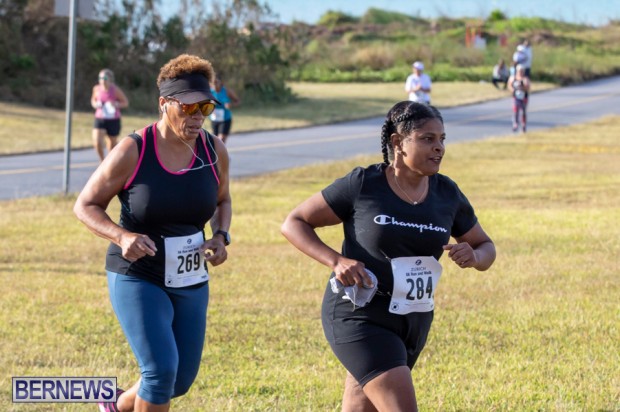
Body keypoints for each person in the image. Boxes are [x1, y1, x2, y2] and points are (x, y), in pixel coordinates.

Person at [281, 101, 496, 411]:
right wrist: (336, 261)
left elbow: (486, 246)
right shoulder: (364, 185)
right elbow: (294, 222)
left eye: (442, 139)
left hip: (414, 318)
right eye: (427, 139)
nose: (439, 148)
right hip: (360, 313)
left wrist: (475, 256)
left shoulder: (447, 193)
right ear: (398, 142)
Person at [74, 54, 232, 412]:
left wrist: (221, 236)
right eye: (189, 108)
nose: (198, 117)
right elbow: (85, 205)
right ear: (164, 103)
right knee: (160, 373)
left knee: (178, 381)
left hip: (190, 276)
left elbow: (223, 200)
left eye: (205, 108)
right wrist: (121, 236)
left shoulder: (214, 150)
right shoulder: (133, 150)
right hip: (138, 273)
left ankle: (114, 405)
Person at [91, 69, 129, 162]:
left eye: (104, 78)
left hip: (113, 119)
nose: (102, 80)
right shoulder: (96, 89)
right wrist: (95, 104)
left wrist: (116, 104)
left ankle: (109, 162)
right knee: (97, 142)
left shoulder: (115, 90)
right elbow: (93, 100)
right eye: (100, 78)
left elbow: (125, 102)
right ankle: (102, 162)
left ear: (110, 79)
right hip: (100, 118)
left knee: (111, 145)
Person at [209, 77, 240, 144]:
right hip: (214, 119)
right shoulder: (209, 92)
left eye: (216, 82)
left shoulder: (227, 91)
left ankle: (220, 150)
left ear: (221, 82)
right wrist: (210, 104)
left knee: (221, 140)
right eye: (212, 83)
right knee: (214, 141)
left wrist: (230, 105)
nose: (214, 85)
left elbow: (237, 101)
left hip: (225, 119)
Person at [508, 64, 531, 133]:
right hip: (516, 97)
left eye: (522, 71)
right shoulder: (513, 78)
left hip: (523, 97)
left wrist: (522, 87)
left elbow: (528, 88)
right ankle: (515, 124)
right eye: (519, 71)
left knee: (523, 111)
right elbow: (509, 85)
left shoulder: (525, 79)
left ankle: (523, 125)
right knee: (516, 110)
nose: (520, 72)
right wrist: (513, 90)